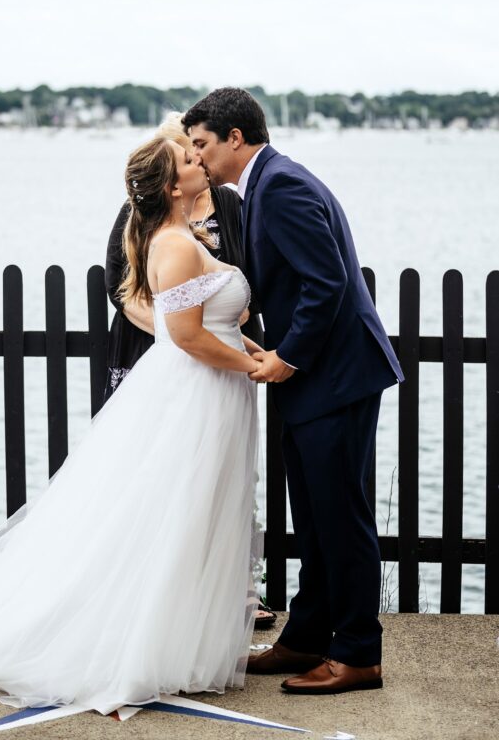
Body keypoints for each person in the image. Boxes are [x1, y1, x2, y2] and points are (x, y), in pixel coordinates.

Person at [0, 137, 264, 715]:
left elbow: (206, 323)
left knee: (192, 513)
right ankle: (138, 646)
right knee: (173, 513)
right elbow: (184, 336)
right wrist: (254, 366)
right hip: (194, 392)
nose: (200, 164)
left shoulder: (180, 237)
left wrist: (245, 351)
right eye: (189, 161)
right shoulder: (176, 245)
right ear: (171, 186)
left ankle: (177, 637)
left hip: (208, 390)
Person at [183, 88, 404, 696]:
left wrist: (289, 357)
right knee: (313, 518)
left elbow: (327, 281)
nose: (196, 157)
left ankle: (358, 654)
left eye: (201, 144)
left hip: (335, 378)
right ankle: (306, 638)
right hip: (319, 379)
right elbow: (289, 285)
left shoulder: (279, 186)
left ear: (234, 138)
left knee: (341, 519)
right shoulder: (262, 186)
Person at [103, 113, 263, 402]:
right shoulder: (147, 217)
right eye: (189, 157)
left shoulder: (230, 205)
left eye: (199, 150)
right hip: (161, 353)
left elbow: (257, 271)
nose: (200, 159)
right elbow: (118, 283)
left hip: (222, 357)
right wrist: (173, 334)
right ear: (169, 179)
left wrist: (235, 334)